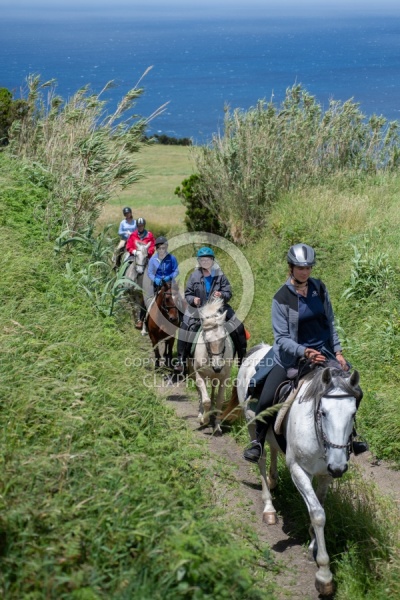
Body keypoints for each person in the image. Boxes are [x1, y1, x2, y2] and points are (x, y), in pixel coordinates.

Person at [243, 243, 368, 464]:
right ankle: (258, 442)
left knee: (354, 391)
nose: (305, 272)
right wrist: (304, 351)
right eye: (301, 268)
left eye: (309, 267)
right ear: (291, 268)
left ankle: (351, 437)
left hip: (324, 354)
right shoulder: (281, 298)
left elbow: (329, 321)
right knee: (265, 399)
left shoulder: (319, 289)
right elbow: (281, 338)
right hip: (292, 358)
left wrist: (337, 352)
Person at [175, 246, 247, 373]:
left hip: (218, 308)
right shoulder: (194, 276)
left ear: (212, 261)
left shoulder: (220, 275)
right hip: (198, 309)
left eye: (208, 259)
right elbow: (188, 294)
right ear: (199, 261)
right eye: (203, 260)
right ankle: (181, 359)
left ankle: (242, 358)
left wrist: (222, 295)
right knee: (185, 327)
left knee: (239, 326)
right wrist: (193, 300)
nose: (205, 262)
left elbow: (228, 292)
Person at [126, 217, 156, 329]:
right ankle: (122, 280)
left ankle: (155, 285)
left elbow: (152, 246)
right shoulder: (133, 235)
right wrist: (133, 251)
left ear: (144, 225)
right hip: (135, 256)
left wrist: (148, 252)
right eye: (138, 226)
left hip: (146, 257)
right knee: (126, 263)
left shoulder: (149, 235)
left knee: (155, 266)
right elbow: (129, 245)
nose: (140, 227)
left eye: (141, 225)